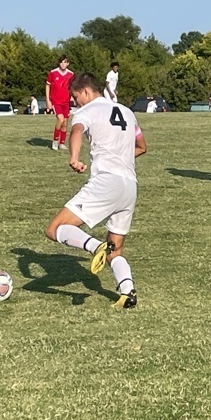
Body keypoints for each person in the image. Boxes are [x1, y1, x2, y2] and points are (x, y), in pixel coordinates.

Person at [44, 72, 147, 309]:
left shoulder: (87, 111)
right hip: (129, 186)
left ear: (86, 92)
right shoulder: (127, 112)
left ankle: (94, 246)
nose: (75, 102)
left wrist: (74, 157)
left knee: (55, 228)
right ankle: (128, 292)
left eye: (75, 97)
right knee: (115, 249)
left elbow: (76, 131)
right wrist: (121, 158)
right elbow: (142, 146)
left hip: (106, 182)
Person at [46, 54, 74, 150]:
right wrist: (48, 100)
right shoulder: (53, 73)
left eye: (65, 62)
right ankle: (55, 140)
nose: (63, 64)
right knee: (60, 119)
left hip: (66, 101)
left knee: (65, 123)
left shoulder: (71, 74)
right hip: (56, 101)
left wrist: (72, 96)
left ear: (68, 63)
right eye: (61, 62)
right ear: (59, 63)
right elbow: (47, 85)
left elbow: (72, 87)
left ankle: (62, 143)